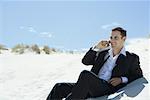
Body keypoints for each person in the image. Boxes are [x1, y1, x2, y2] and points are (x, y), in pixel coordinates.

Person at [46, 27, 143, 100]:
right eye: (111, 37)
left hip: (107, 87)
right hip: (90, 86)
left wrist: (121, 79)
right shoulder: (103, 53)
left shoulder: (131, 58)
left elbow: (138, 75)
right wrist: (96, 47)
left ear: (124, 39)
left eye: (116, 37)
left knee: (85, 75)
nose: (112, 40)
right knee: (59, 87)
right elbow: (85, 61)